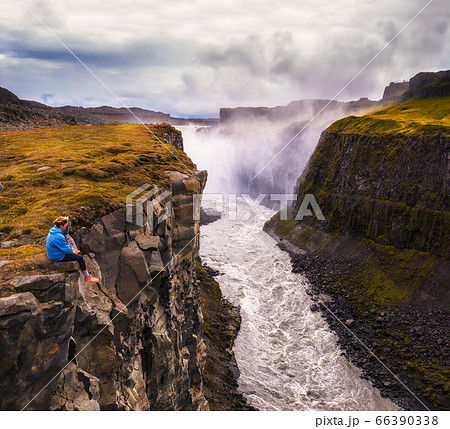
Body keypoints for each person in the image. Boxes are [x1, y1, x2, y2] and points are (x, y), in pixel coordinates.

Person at [46, 216, 99, 283]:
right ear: (61, 226)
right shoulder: (59, 237)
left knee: (69, 247)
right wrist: (72, 251)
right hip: (57, 256)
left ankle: (87, 276)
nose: (66, 226)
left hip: (52, 253)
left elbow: (65, 233)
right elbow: (67, 250)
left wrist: (67, 227)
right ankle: (87, 277)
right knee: (80, 258)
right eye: (66, 225)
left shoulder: (54, 230)